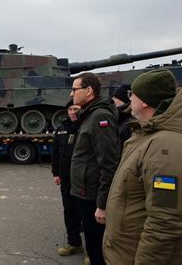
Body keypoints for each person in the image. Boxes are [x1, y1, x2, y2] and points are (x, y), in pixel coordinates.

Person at [103, 69, 182, 265]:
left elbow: (165, 222)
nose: (129, 98)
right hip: (129, 251)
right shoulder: (152, 136)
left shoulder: (167, 147)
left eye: (132, 94)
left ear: (144, 101)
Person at [69, 72, 119, 265]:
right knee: (91, 242)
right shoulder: (90, 114)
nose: (71, 94)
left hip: (91, 196)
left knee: (97, 246)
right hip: (84, 191)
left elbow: (108, 163)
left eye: (75, 89)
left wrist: (102, 204)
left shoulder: (100, 117)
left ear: (88, 90)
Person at [51, 100, 84, 257]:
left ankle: (93, 251)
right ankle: (74, 243)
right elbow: (56, 153)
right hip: (66, 178)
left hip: (84, 178)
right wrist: (55, 173)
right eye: (70, 109)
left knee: (86, 213)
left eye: (76, 108)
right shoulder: (61, 129)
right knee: (69, 210)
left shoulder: (87, 127)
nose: (72, 112)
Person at [111, 84, 132, 151]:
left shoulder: (129, 123)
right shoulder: (113, 117)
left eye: (116, 98)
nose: (112, 100)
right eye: (113, 97)